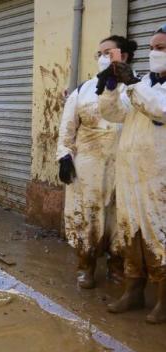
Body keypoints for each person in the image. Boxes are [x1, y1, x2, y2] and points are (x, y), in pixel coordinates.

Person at [98, 25, 166, 324]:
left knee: (159, 237)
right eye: (152, 46)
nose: (154, 52)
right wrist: (112, 87)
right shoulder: (143, 83)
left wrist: (133, 82)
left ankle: (163, 301)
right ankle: (133, 290)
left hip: (158, 179)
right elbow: (114, 114)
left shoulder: (147, 88)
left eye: (161, 47)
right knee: (130, 232)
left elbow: (159, 109)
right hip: (130, 175)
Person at [57, 36, 135, 289]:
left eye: (108, 52)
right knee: (86, 216)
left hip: (124, 165)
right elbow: (67, 129)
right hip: (87, 166)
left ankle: (116, 266)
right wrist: (64, 157)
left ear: (123, 56)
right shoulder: (83, 90)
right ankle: (86, 266)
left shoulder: (137, 88)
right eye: (99, 53)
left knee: (119, 218)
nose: (102, 58)